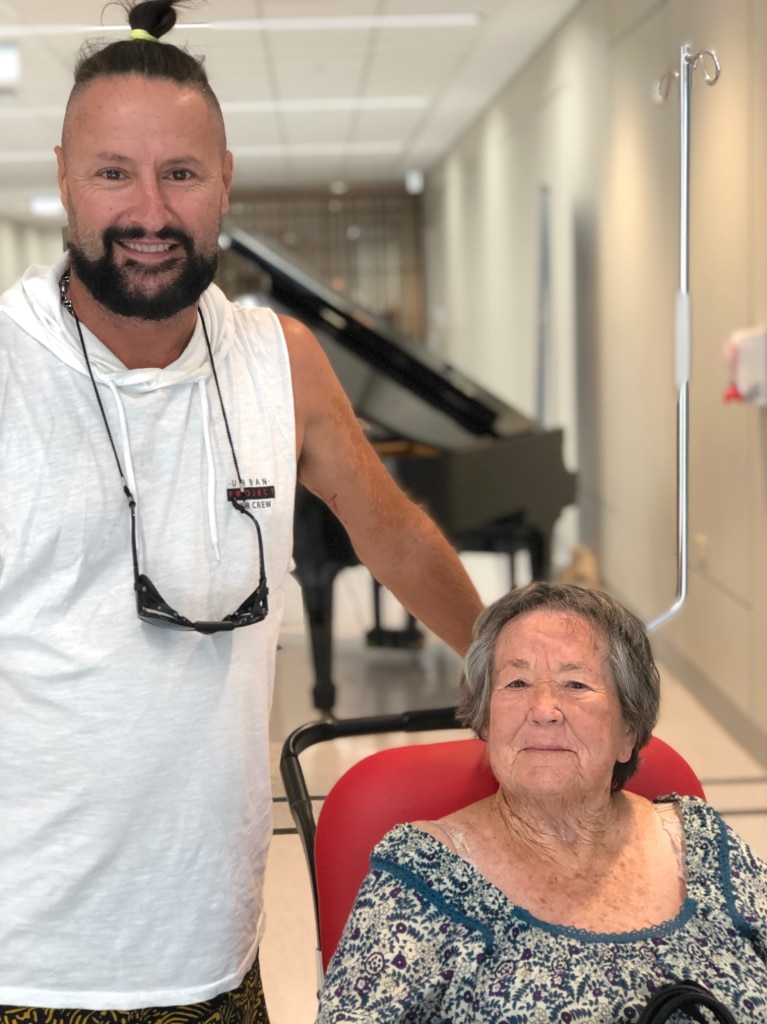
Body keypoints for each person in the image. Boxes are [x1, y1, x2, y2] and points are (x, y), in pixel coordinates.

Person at [0, 1, 484, 1020]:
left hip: (217, 954)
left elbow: (386, 525)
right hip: (25, 960)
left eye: (179, 172)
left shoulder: (280, 360)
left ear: (223, 178)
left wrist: (505, 665)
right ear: (62, 176)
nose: (148, 210)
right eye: (111, 171)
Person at [316, 582, 767, 1022]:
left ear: (628, 732)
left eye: (574, 684)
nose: (544, 708)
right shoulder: (421, 873)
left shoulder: (700, 839)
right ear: (485, 722)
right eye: (516, 683)